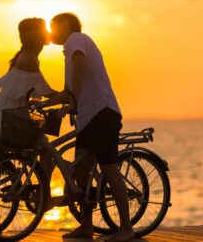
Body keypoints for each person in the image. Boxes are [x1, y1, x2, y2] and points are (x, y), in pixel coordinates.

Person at [34, 13, 134, 242]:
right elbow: (68, 89)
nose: (50, 32)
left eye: (53, 26)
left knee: (109, 169)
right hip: (88, 118)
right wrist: (44, 103)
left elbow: (79, 70)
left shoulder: (76, 40)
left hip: (102, 112)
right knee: (81, 171)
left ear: (66, 25)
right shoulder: (69, 49)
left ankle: (127, 228)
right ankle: (86, 226)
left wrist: (72, 102)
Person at [0, 17, 82, 229]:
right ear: (36, 36)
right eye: (44, 30)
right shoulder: (29, 59)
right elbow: (46, 92)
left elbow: (35, 93)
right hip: (11, 116)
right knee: (47, 151)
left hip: (7, 113)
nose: (48, 33)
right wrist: (70, 97)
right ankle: (44, 196)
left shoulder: (26, 56)